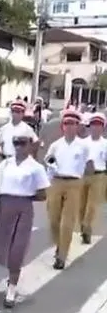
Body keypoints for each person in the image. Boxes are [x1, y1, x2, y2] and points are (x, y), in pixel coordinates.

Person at [0, 126, 49, 307]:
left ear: (30, 145)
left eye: (22, 143)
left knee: (18, 248)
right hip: (4, 205)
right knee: (3, 247)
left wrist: (25, 196)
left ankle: (12, 288)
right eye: (15, 143)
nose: (18, 147)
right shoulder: (5, 164)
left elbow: (42, 194)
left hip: (23, 207)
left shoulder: (36, 168)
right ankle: (11, 276)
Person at [44, 109, 92, 269]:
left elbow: (89, 165)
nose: (69, 126)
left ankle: (62, 255)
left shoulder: (83, 146)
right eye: (66, 123)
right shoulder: (55, 145)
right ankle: (59, 244)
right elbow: (48, 161)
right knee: (53, 220)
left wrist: (89, 178)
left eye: (73, 123)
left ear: (78, 126)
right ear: (62, 126)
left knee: (67, 221)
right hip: (56, 182)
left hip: (74, 183)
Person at [80, 112, 107, 244]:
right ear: (90, 127)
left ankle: (87, 227)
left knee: (92, 205)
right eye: (94, 125)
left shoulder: (105, 144)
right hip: (83, 176)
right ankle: (83, 225)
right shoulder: (82, 143)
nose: (96, 128)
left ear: (103, 128)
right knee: (81, 205)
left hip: (98, 176)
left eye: (99, 125)